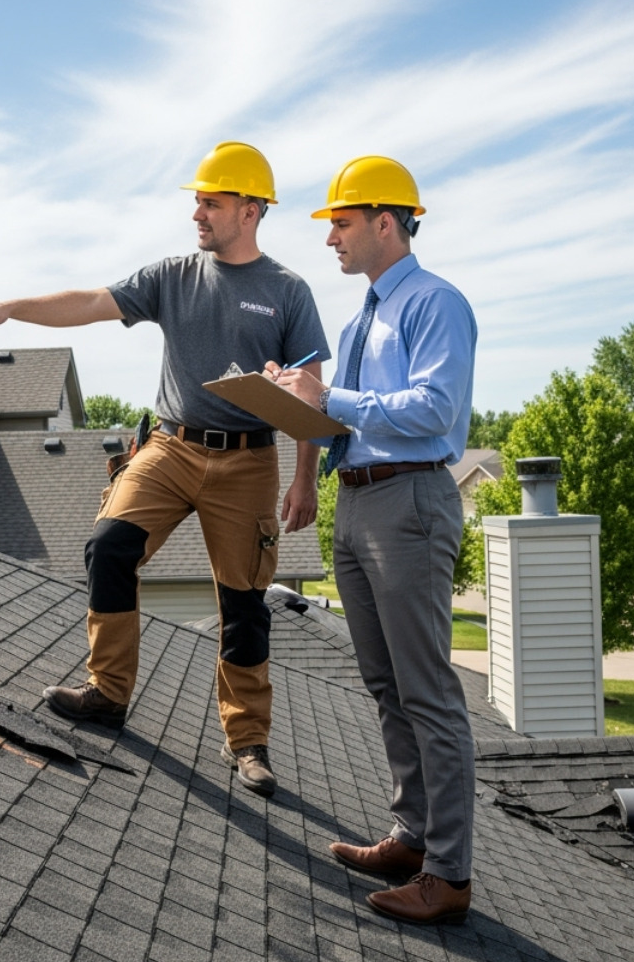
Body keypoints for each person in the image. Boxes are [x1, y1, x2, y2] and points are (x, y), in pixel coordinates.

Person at [0, 142, 328, 798]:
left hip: (248, 464)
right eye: (197, 202)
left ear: (250, 209)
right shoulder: (174, 276)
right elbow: (90, 301)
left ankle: (248, 742)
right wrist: (12, 306)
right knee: (109, 546)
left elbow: (309, 389)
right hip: (171, 447)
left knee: (244, 604)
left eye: (210, 202)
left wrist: (303, 480)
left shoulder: (288, 292)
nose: (197, 214)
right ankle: (108, 691)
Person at [272, 155, 478, 923]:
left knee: (428, 692)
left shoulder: (435, 303)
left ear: (385, 221)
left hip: (410, 501)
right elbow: (344, 415)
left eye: (341, 222)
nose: (330, 237)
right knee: (386, 685)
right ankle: (414, 835)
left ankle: (449, 877)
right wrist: (290, 397)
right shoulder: (362, 317)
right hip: (355, 500)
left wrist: (329, 394)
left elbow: (431, 409)